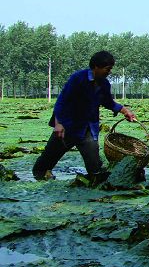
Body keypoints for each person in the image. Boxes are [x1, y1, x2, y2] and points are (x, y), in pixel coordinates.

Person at [32, 51, 136, 181]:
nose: (109, 72)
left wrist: (125, 111)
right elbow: (62, 101)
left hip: (88, 131)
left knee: (96, 171)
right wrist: (58, 124)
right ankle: (41, 179)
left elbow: (108, 102)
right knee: (42, 166)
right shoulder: (78, 79)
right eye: (107, 69)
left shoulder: (104, 84)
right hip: (66, 128)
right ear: (96, 67)